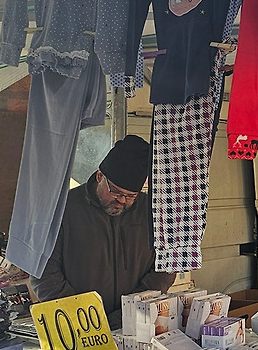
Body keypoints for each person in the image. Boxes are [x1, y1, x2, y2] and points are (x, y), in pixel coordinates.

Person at [32, 135, 175, 328]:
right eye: (116, 192)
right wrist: (80, 316)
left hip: (136, 320)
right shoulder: (63, 209)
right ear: (100, 176)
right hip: (76, 324)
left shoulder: (151, 212)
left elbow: (166, 267)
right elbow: (43, 272)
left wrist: (130, 310)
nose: (122, 200)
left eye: (130, 196)